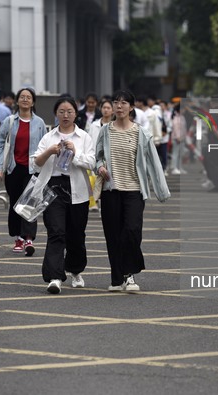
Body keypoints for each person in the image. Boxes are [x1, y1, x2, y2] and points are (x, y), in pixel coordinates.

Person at [96, 90, 170, 292]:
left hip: (134, 190)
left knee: (131, 230)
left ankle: (130, 275)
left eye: (123, 103)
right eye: (116, 103)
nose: (119, 106)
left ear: (131, 107)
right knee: (112, 235)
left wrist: (161, 191)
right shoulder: (105, 131)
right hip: (111, 190)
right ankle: (116, 278)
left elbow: (154, 163)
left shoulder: (141, 133)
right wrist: (100, 166)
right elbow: (98, 157)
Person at [32, 97, 96, 294]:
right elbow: (35, 163)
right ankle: (55, 277)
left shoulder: (83, 137)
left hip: (78, 188)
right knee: (56, 231)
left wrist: (75, 153)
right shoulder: (48, 137)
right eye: (61, 111)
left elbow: (92, 162)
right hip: (53, 187)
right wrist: (50, 152)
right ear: (56, 114)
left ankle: (75, 271)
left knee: (76, 234)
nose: (65, 115)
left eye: (69, 111)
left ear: (76, 114)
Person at [0, 88, 47, 255]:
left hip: (33, 168)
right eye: (22, 97)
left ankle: (29, 238)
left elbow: (44, 146)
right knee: (16, 204)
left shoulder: (40, 123)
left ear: (33, 102)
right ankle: (18, 238)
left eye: (28, 97)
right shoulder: (9, 121)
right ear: (17, 101)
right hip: (13, 168)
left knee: (30, 202)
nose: (25, 100)